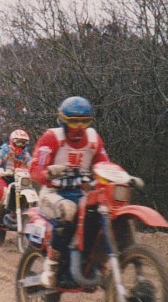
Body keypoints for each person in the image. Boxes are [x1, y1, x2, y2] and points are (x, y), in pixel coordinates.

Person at [28, 97, 110, 288]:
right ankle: (52, 265)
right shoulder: (52, 138)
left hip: (81, 193)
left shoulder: (92, 139)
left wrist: (114, 177)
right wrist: (48, 172)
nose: (79, 127)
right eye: (74, 121)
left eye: (85, 121)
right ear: (63, 120)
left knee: (103, 212)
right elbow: (35, 169)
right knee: (69, 210)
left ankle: (98, 262)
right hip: (53, 192)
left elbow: (104, 163)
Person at [0, 129, 31, 228]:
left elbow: (32, 165)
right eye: (18, 142)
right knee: (1, 191)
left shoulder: (25, 154)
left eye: (23, 142)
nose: (20, 145)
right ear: (12, 141)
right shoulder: (6, 150)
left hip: (20, 180)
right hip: (4, 177)